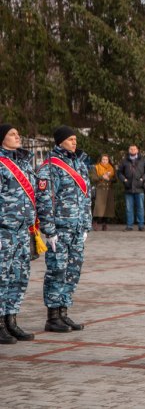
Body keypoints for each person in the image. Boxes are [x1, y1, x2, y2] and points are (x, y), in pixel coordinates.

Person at [36, 126, 92, 332]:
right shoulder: (51, 166)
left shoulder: (80, 164)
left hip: (77, 228)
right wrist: (49, 231)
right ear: (60, 142)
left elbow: (86, 197)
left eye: (75, 139)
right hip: (60, 229)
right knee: (57, 270)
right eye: (70, 139)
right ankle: (52, 317)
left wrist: (86, 225)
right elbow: (44, 200)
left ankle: (63, 312)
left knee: (72, 271)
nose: (74, 142)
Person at [0, 124, 37, 343]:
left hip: (23, 230)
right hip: (4, 230)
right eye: (12, 134)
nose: (17, 136)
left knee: (19, 276)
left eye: (17, 133)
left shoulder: (22, 163)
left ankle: (11, 320)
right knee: (2, 277)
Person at [117, 145, 145, 231]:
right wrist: (124, 180)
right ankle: (129, 226)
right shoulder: (124, 161)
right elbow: (119, 172)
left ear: (137, 150)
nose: (133, 150)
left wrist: (142, 179)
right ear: (129, 150)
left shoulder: (143, 160)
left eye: (134, 149)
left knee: (140, 208)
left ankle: (141, 225)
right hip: (128, 187)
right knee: (129, 208)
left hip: (139, 187)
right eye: (131, 149)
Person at [90, 154, 116, 231]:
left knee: (107, 208)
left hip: (109, 190)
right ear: (100, 160)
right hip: (100, 189)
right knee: (98, 208)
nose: (104, 161)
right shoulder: (96, 167)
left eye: (106, 160)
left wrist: (110, 179)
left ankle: (105, 223)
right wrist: (102, 177)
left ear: (108, 160)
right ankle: (95, 222)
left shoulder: (111, 168)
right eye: (103, 159)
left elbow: (115, 179)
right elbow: (93, 178)